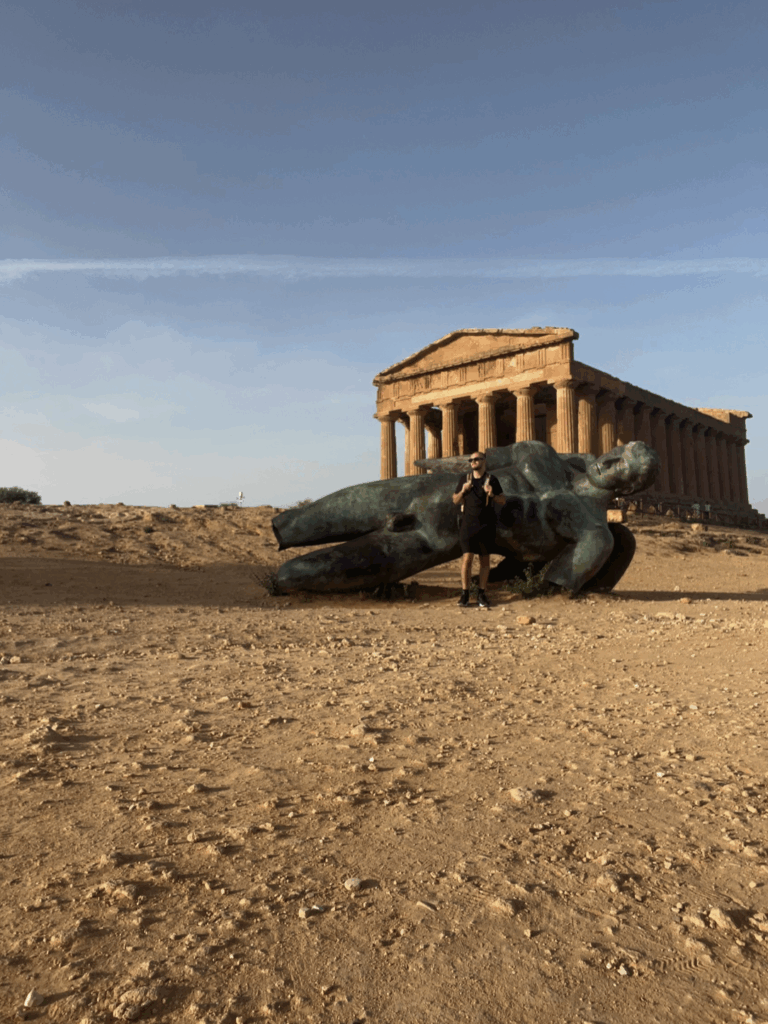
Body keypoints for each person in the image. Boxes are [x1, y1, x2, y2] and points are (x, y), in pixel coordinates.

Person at [452, 451, 505, 608]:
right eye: (471, 460)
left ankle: (482, 593)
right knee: (467, 559)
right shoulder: (465, 479)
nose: (473, 462)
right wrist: (463, 490)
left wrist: (492, 493)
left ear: (484, 461)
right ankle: (465, 594)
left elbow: (502, 500)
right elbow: (455, 500)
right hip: (468, 525)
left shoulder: (492, 480)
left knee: (484, 561)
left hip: (486, 525)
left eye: (476, 459)